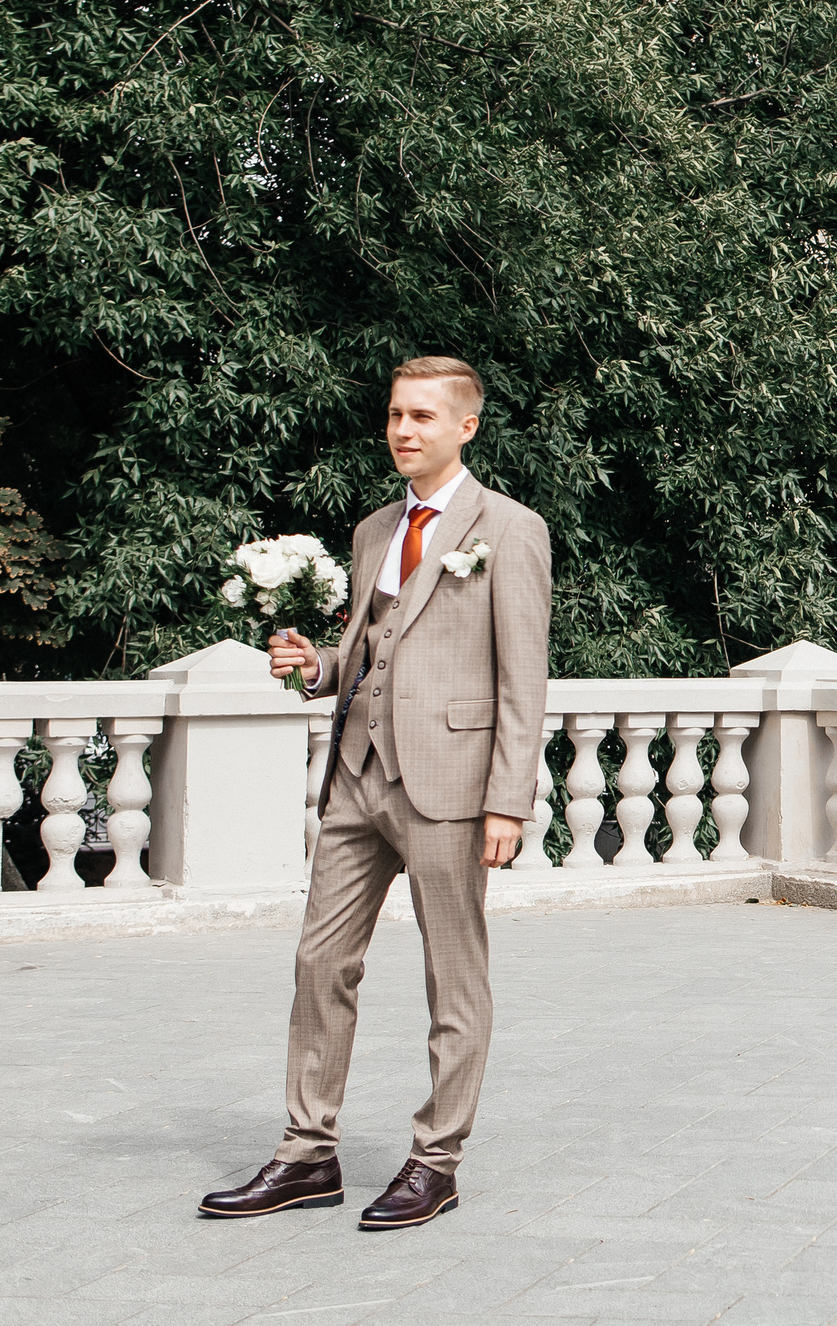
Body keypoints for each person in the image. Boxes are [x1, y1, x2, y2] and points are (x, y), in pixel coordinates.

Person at [199, 356, 553, 1226]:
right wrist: (314, 665)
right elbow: (368, 652)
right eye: (396, 414)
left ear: (466, 426)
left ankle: (437, 1158)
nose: (404, 430)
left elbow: (524, 678)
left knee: (452, 974)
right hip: (358, 777)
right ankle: (306, 1151)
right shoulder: (371, 531)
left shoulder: (509, 529)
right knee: (320, 960)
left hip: (450, 785)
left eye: (424, 416)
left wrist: (509, 797)